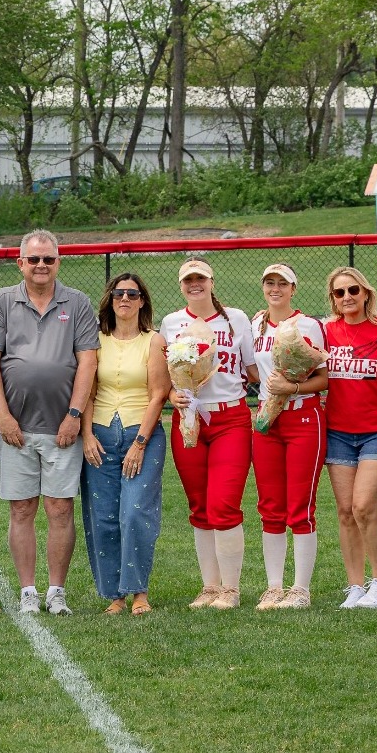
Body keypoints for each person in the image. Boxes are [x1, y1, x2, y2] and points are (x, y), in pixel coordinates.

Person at [0, 229, 99, 616]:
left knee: (60, 508)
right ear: (21, 263)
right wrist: (2, 414)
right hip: (16, 426)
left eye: (48, 259)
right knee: (21, 509)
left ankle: (56, 591)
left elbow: (88, 361)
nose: (41, 265)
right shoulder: (1, 301)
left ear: (58, 262)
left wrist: (75, 415)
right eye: (34, 259)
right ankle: (28, 590)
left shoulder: (77, 303)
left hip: (62, 426)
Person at [161, 258, 259, 610]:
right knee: (199, 505)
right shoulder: (172, 323)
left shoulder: (236, 318)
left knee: (224, 504)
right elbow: (164, 374)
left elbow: (252, 369)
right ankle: (209, 586)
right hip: (188, 419)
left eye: (200, 278)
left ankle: (230, 589)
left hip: (229, 417)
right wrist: (172, 395)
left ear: (212, 282)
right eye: (188, 280)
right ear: (181, 285)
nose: (195, 285)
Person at [79, 273, 170, 616]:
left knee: (134, 513)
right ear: (111, 299)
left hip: (139, 435)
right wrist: (86, 435)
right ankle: (115, 595)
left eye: (133, 294)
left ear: (142, 301)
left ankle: (139, 592)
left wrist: (141, 442)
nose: (125, 299)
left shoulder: (154, 340)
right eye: (119, 293)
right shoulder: (96, 340)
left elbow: (159, 393)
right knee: (103, 517)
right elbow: (87, 392)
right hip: (100, 436)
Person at [248, 262, 329, 611]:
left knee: (300, 506)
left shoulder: (308, 324)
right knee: (270, 507)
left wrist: (292, 386)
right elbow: (254, 369)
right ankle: (274, 586)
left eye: (283, 283)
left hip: (302, 417)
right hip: (268, 421)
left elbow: (326, 378)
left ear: (293, 288)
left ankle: (300, 588)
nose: (275, 289)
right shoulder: (257, 323)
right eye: (270, 282)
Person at [322, 266, 377, 610]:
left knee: (364, 507)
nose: (347, 298)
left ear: (366, 292)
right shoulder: (325, 332)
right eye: (339, 293)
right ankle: (355, 585)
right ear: (333, 300)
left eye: (353, 290)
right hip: (338, 431)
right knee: (344, 511)